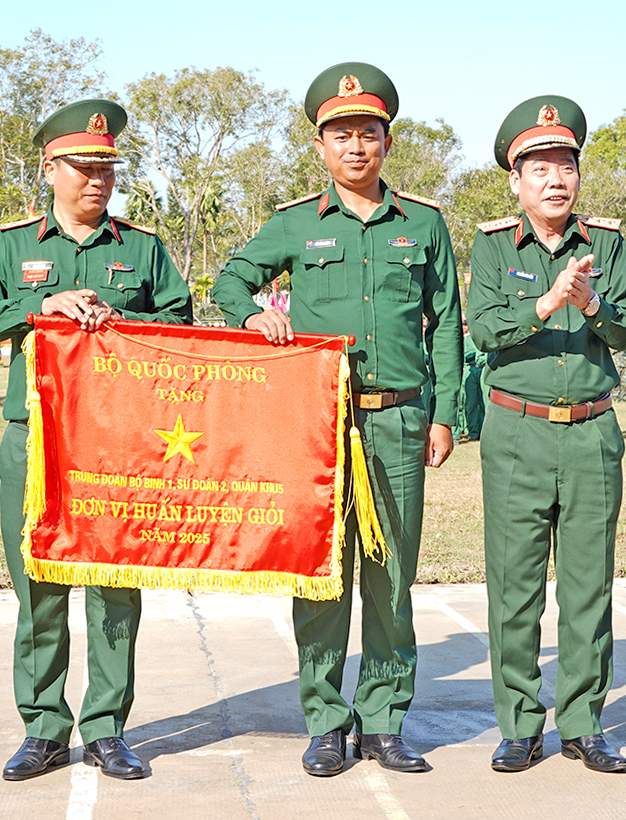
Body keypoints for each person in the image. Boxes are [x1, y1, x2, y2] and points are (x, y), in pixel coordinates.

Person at [213, 62, 462, 778]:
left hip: (398, 422)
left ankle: (384, 722)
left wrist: (445, 414)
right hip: (314, 426)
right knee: (319, 576)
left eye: (369, 134)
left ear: (386, 142)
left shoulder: (423, 223)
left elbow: (444, 322)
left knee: (389, 577)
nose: (356, 147)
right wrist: (253, 312)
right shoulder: (296, 223)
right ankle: (325, 720)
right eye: (341, 135)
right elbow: (232, 277)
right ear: (319, 146)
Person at [0, 97, 193, 782]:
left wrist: (125, 321)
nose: (98, 180)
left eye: (107, 169)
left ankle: (108, 728)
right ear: (49, 168)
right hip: (36, 442)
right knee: (39, 588)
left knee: (114, 587)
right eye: (83, 167)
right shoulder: (10, 246)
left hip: (117, 444)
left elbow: (180, 322)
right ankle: (43, 729)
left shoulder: (141, 248)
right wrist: (39, 306)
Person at [466, 96, 626, 776]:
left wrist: (590, 302)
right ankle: (517, 724)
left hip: (591, 434)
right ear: (515, 180)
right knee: (513, 589)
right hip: (516, 433)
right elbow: (482, 329)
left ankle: (584, 724)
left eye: (564, 164)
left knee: (589, 588)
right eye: (537, 166)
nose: (554, 178)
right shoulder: (488, 244)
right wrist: (545, 303)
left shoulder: (609, 245)